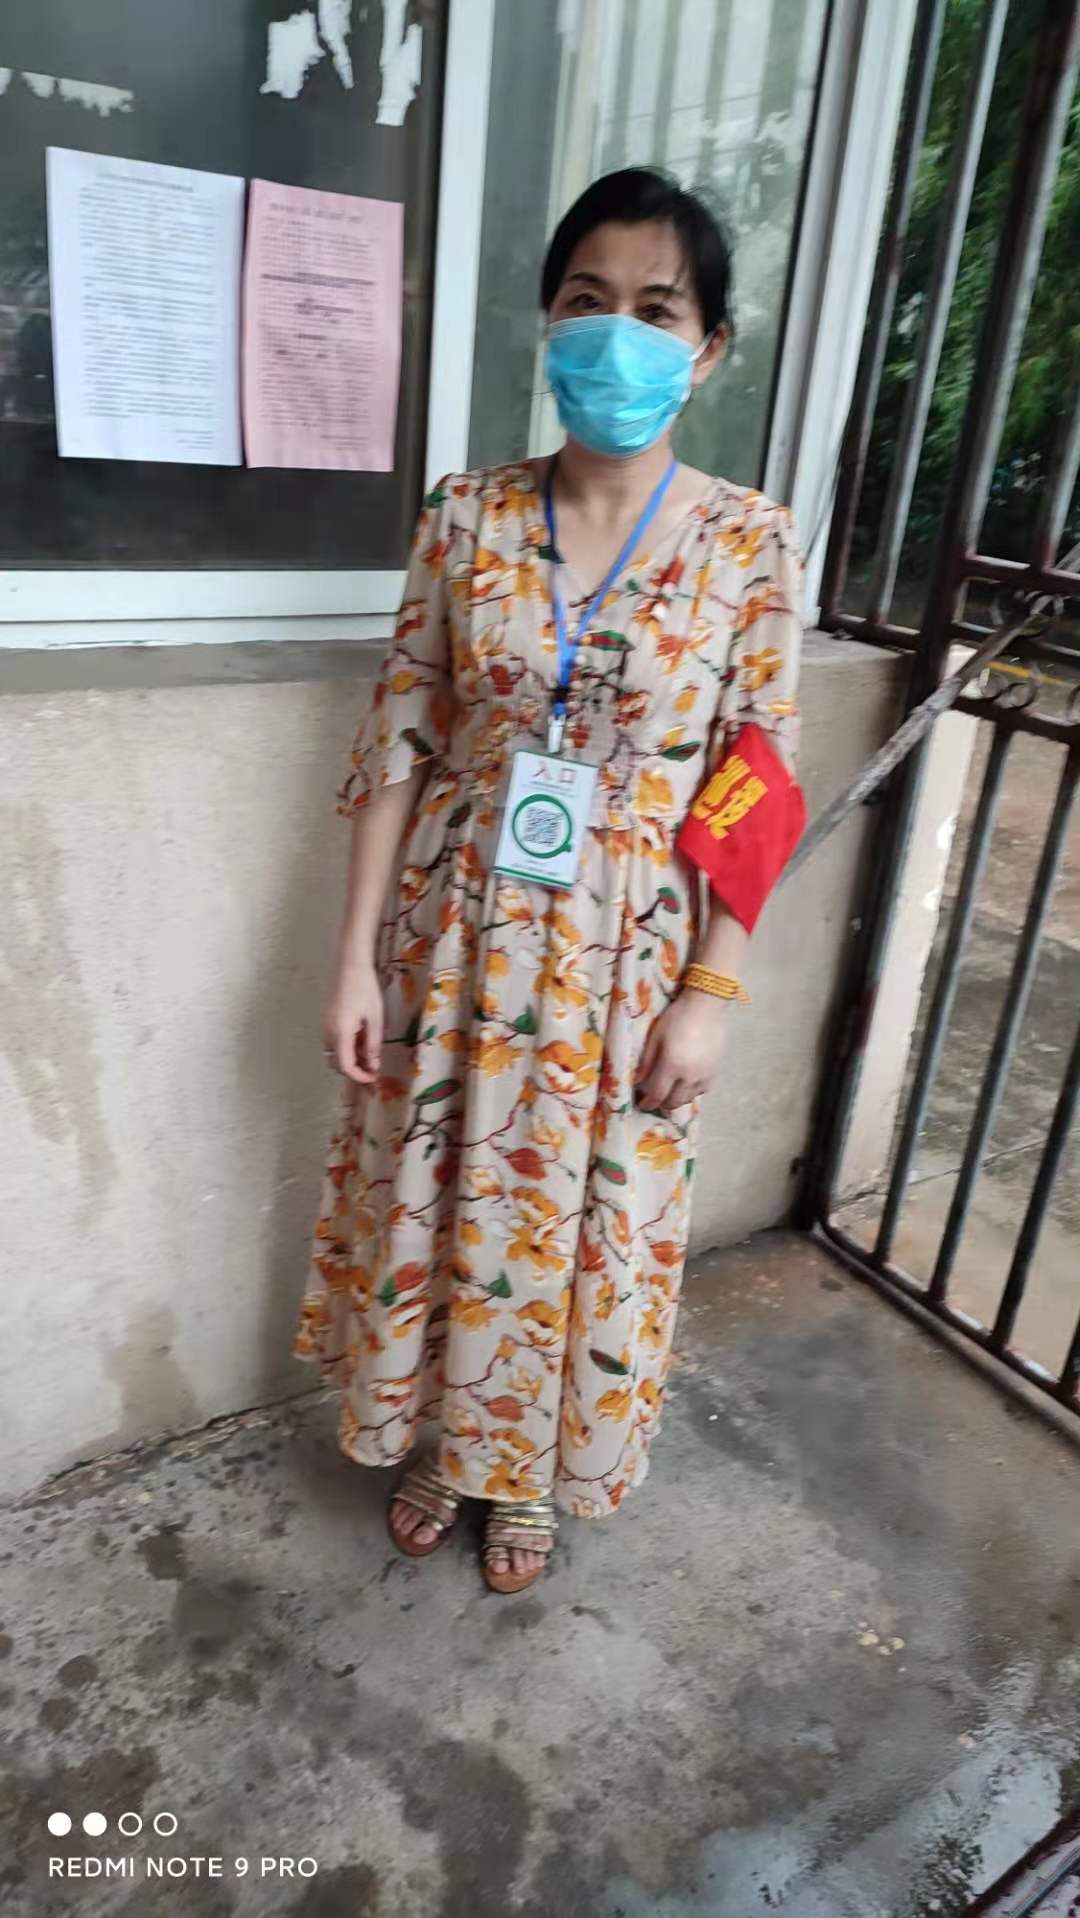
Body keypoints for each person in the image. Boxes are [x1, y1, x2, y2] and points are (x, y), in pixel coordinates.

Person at [291, 166, 806, 1595]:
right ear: (547, 320)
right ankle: (446, 1442)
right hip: (454, 936)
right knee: (444, 1190)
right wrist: (354, 959)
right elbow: (399, 737)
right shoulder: (465, 517)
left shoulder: (750, 543)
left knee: (592, 1219)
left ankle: (527, 1471)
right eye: (589, 299)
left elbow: (758, 781)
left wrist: (711, 991)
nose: (617, 333)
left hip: (630, 954)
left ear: (707, 347)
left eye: (657, 308)